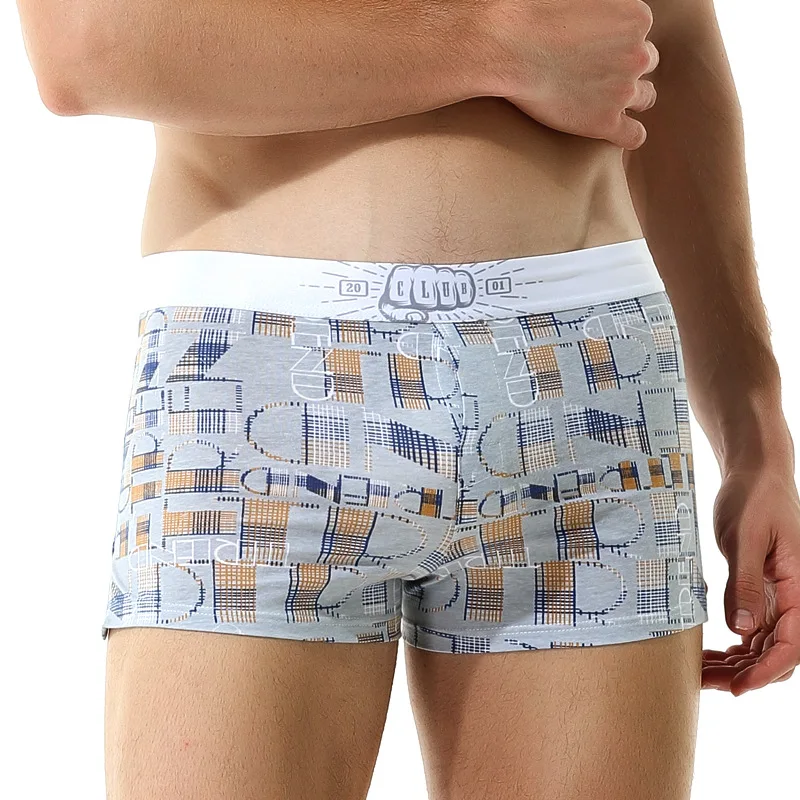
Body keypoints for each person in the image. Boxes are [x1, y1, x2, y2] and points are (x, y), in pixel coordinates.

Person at [16, 0, 800, 798]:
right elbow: (83, 45)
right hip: (262, 376)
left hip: (587, 375)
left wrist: (756, 435)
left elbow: (671, 40)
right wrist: (489, 43)